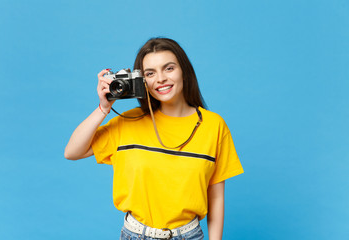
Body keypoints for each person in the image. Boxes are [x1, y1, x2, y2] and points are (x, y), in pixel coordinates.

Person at [64, 37, 244, 240]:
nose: (160, 79)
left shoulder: (213, 125)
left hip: (189, 235)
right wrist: (103, 109)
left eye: (169, 68)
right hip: (136, 235)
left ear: (184, 71)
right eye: (150, 73)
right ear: (142, 81)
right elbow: (72, 151)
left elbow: (216, 196)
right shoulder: (128, 122)